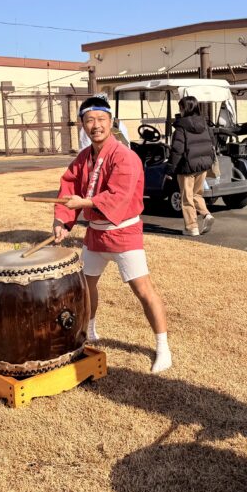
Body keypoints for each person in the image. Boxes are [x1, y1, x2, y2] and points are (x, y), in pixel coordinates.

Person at [53, 96, 173, 373]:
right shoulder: (83, 157)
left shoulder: (126, 157)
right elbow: (68, 187)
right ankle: (90, 332)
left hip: (123, 233)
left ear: (111, 122)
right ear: (82, 125)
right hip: (95, 234)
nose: (95, 125)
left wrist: (82, 204)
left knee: (143, 290)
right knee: (86, 286)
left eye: (101, 119)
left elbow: (118, 196)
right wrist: (62, 222)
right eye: (89, 120)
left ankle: (163, 347)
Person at [166, 95, 216, 236]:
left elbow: (177, 151)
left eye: (180, 107)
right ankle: (206, 215)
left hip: (186, 167)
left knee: (186, 197)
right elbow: (211, 143)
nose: (179, 110)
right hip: (203, 165)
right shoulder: (205, 125)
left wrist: (170, 170)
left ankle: (191, 227)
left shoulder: (181, 128)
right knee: (197, 194)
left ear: (184, 108)